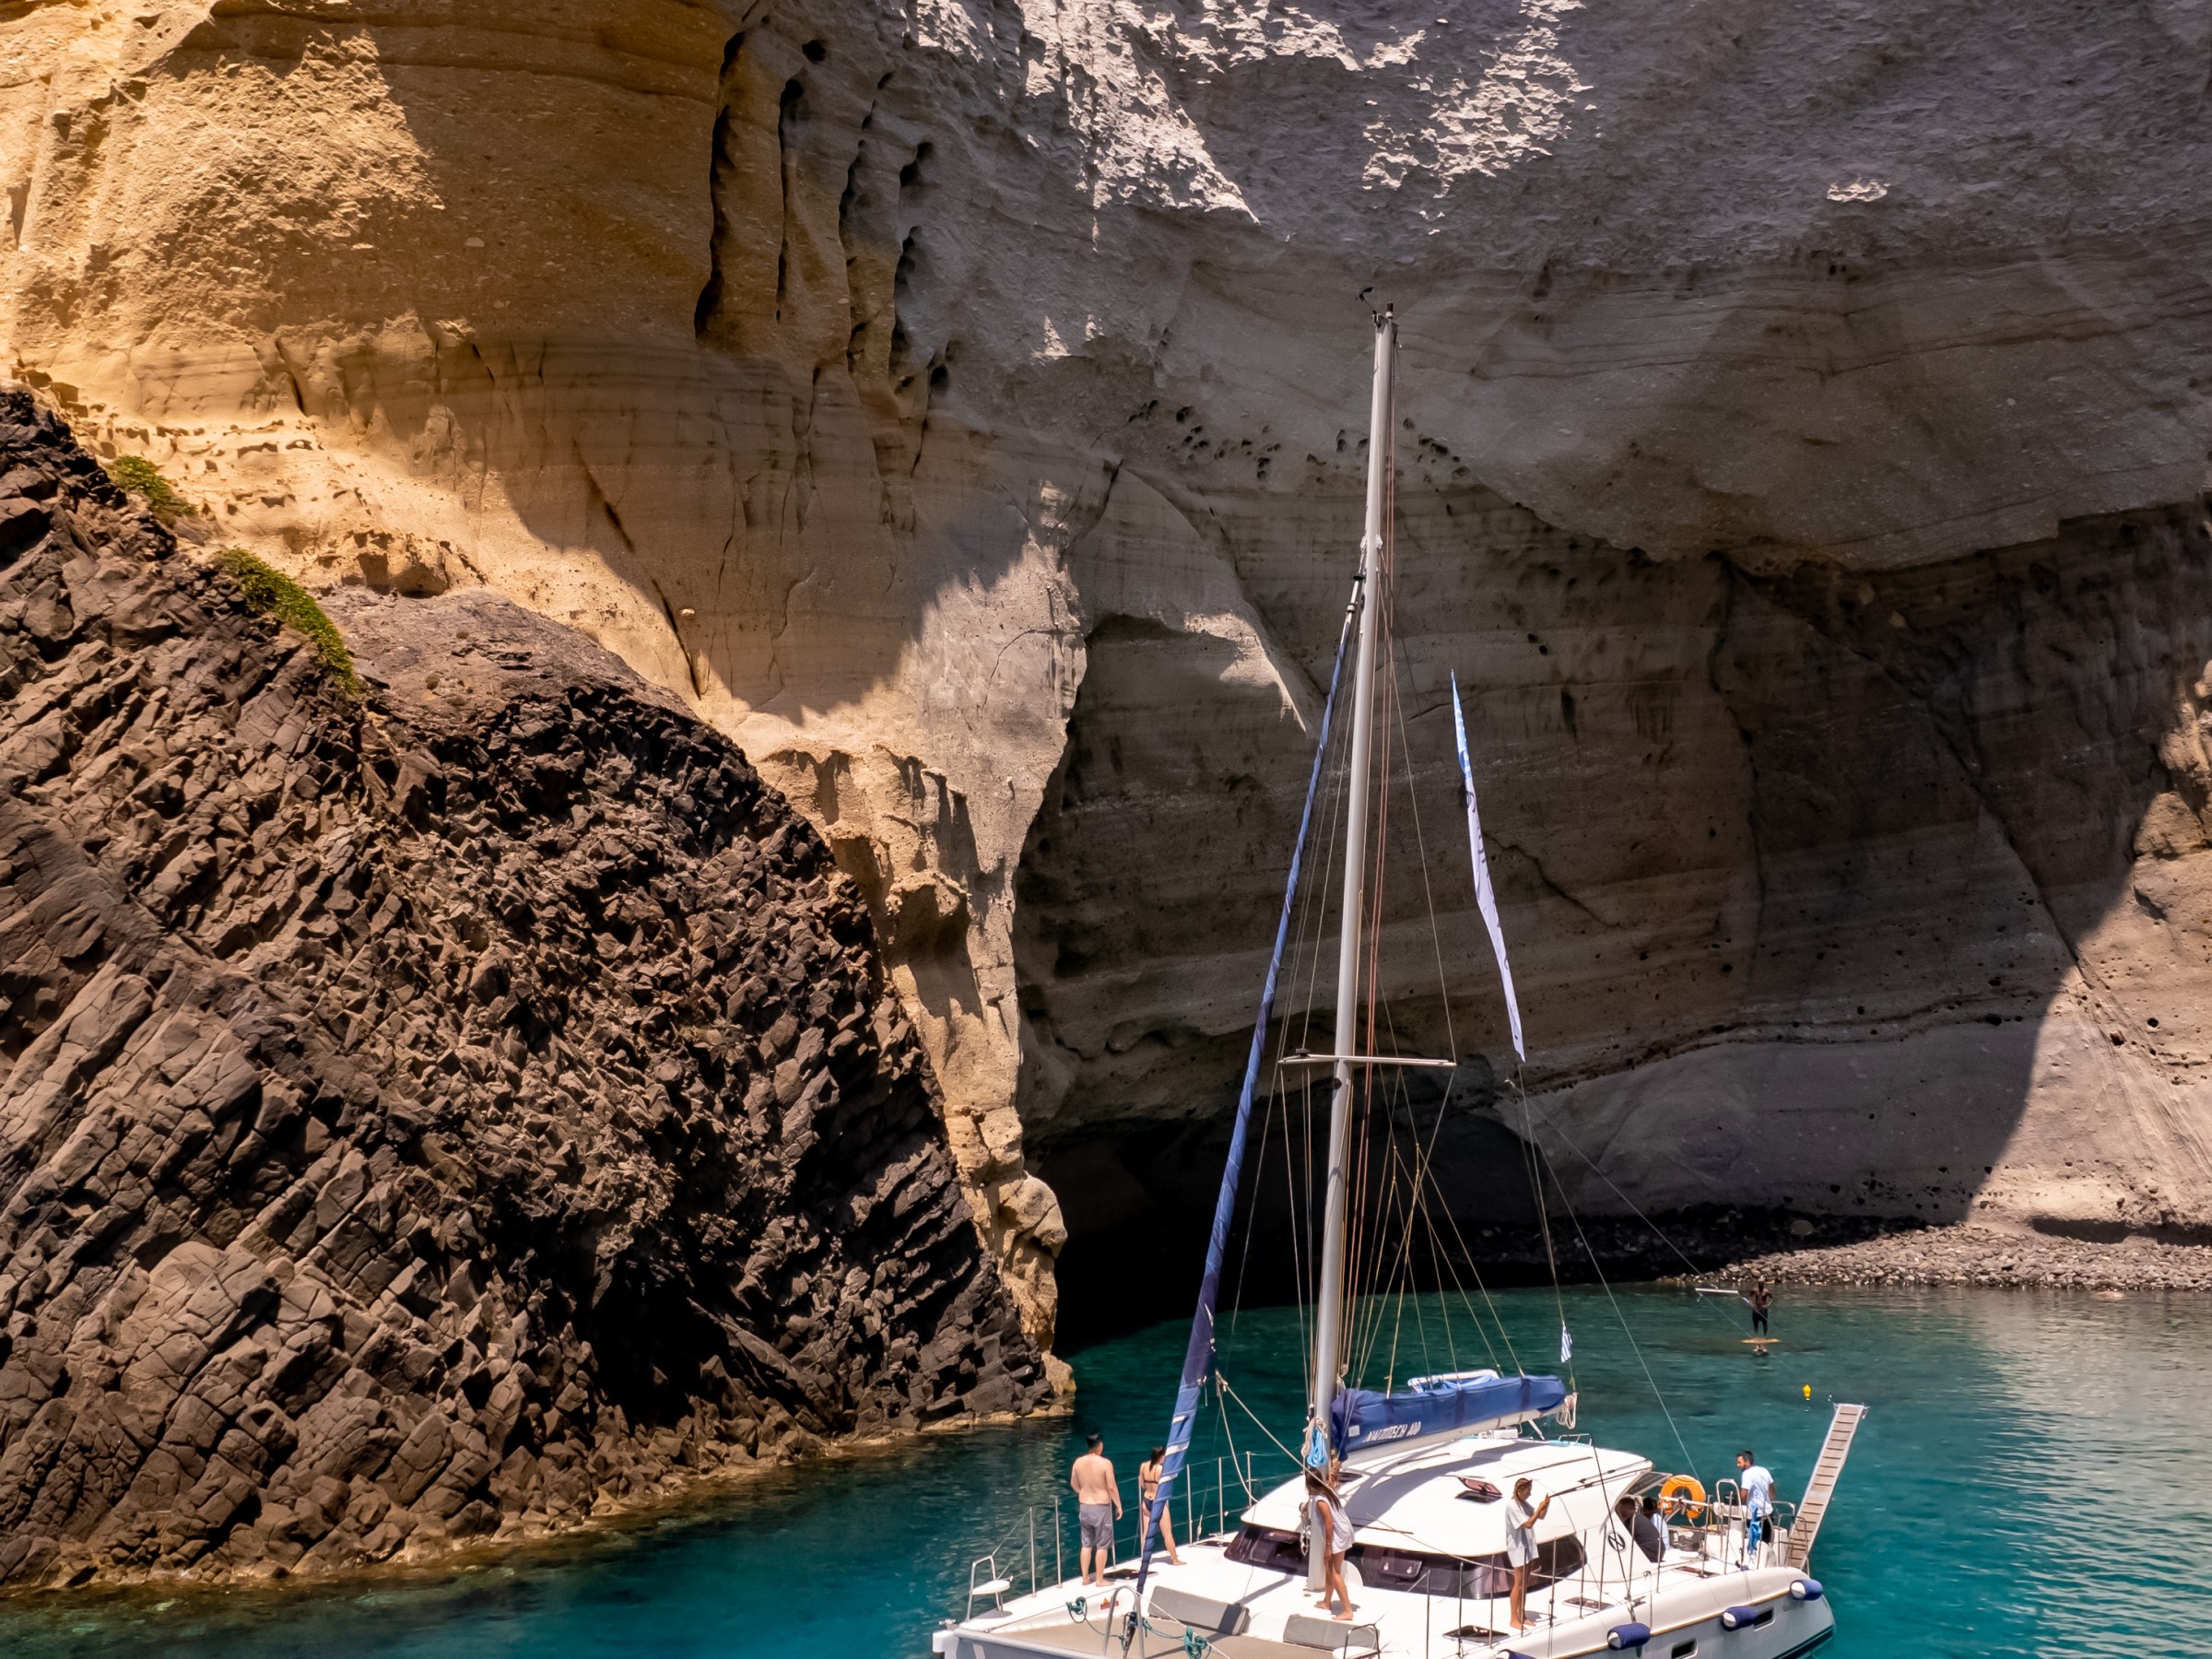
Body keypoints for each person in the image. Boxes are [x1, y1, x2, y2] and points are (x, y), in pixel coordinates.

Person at [1304, 1469, 1357, 1620]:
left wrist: (1328, 1546)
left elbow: (1329, 1523)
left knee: (1335, 1572)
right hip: (1344, 1531)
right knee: (1329, 1567)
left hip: (1338, 1535)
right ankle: (1327, 1601)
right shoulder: (1328, 1491)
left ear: (1309, 1484)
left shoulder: (1320, 1500)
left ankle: (1347, 1610)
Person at [1072, 1432, 1121, 1584]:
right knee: (1102, 1544)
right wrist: (1118, 1505)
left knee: (1086, 1543)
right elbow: (1111, 1486)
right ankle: (1100, 1579)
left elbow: (1074, 1484)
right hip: (1101, 1506)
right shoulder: (1105, 1463)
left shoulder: (1078, 1462)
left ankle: (1085, 1578)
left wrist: (1084, 1492)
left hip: (1085, 1506)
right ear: (1099, 1445)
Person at [1505, 1476, 1551, 1631]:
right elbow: (1529, 1524)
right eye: (1527, 1491)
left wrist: (1545, 1506)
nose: (1529, 1494)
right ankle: (1513, 1618)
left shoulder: (1524, 1504)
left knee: (1524, 1584)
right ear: (1519, 1491)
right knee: (1518, 1584)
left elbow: (1540, 1516)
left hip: (1528, 1545)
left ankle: (1522, 1615)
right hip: (1517, 1547)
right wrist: (1539, 1509)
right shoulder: (1512, 1506)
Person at [1138, 1445, 1183, 1566]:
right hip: (1158, 1502)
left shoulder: (1143, 1466)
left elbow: (1142, 1484)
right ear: (1161, 1456)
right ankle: (1175, 1560)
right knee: (1167, 1533)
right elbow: (1166, 1487)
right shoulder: (1160, 1469)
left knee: (1146, 1534)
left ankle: (1145, 1560)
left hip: (1146, 1500)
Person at [1735, 1449, 1774, 1566]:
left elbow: (1743, 1495)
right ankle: (1764, 1564)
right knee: (1765, 1543)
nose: (1737, 1465)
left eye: (1739, 1462)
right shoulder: (1764, 1470)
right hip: (1768, 1513)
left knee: (1753, 1542)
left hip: (1756, 1516)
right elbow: (1772, 1488)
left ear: (1747, 1462)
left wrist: (1740, 1496)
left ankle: (1750, 1563)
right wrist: (1769, 1499)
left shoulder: (1747, 1474)